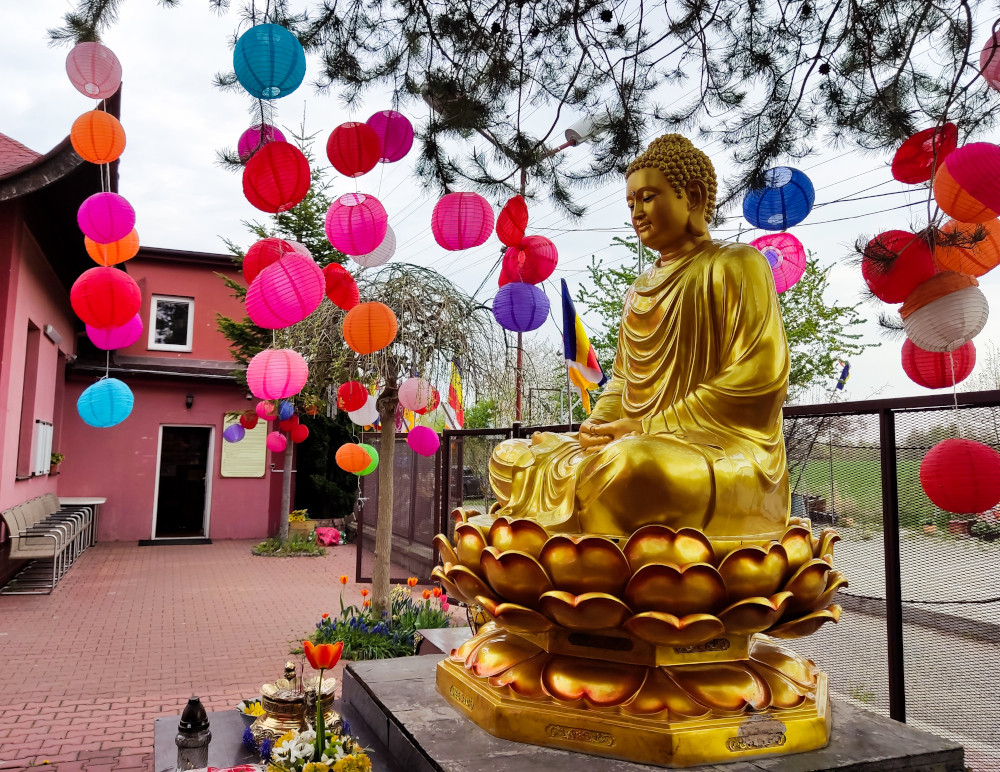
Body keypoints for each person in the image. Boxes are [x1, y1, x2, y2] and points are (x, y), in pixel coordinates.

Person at [488, 134, 790, 540]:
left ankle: (601, 520)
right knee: (509, 456)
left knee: (632, 468)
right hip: (634, 441)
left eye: (648, 198)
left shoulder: (736, 263)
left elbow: (761, 375)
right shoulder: (638, 290)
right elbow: (623, 382)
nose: (637, 214)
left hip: (717, 449)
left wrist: (646, 426)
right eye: (631, 204)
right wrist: (596, 425)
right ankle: (595, 511)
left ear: (693, 197)